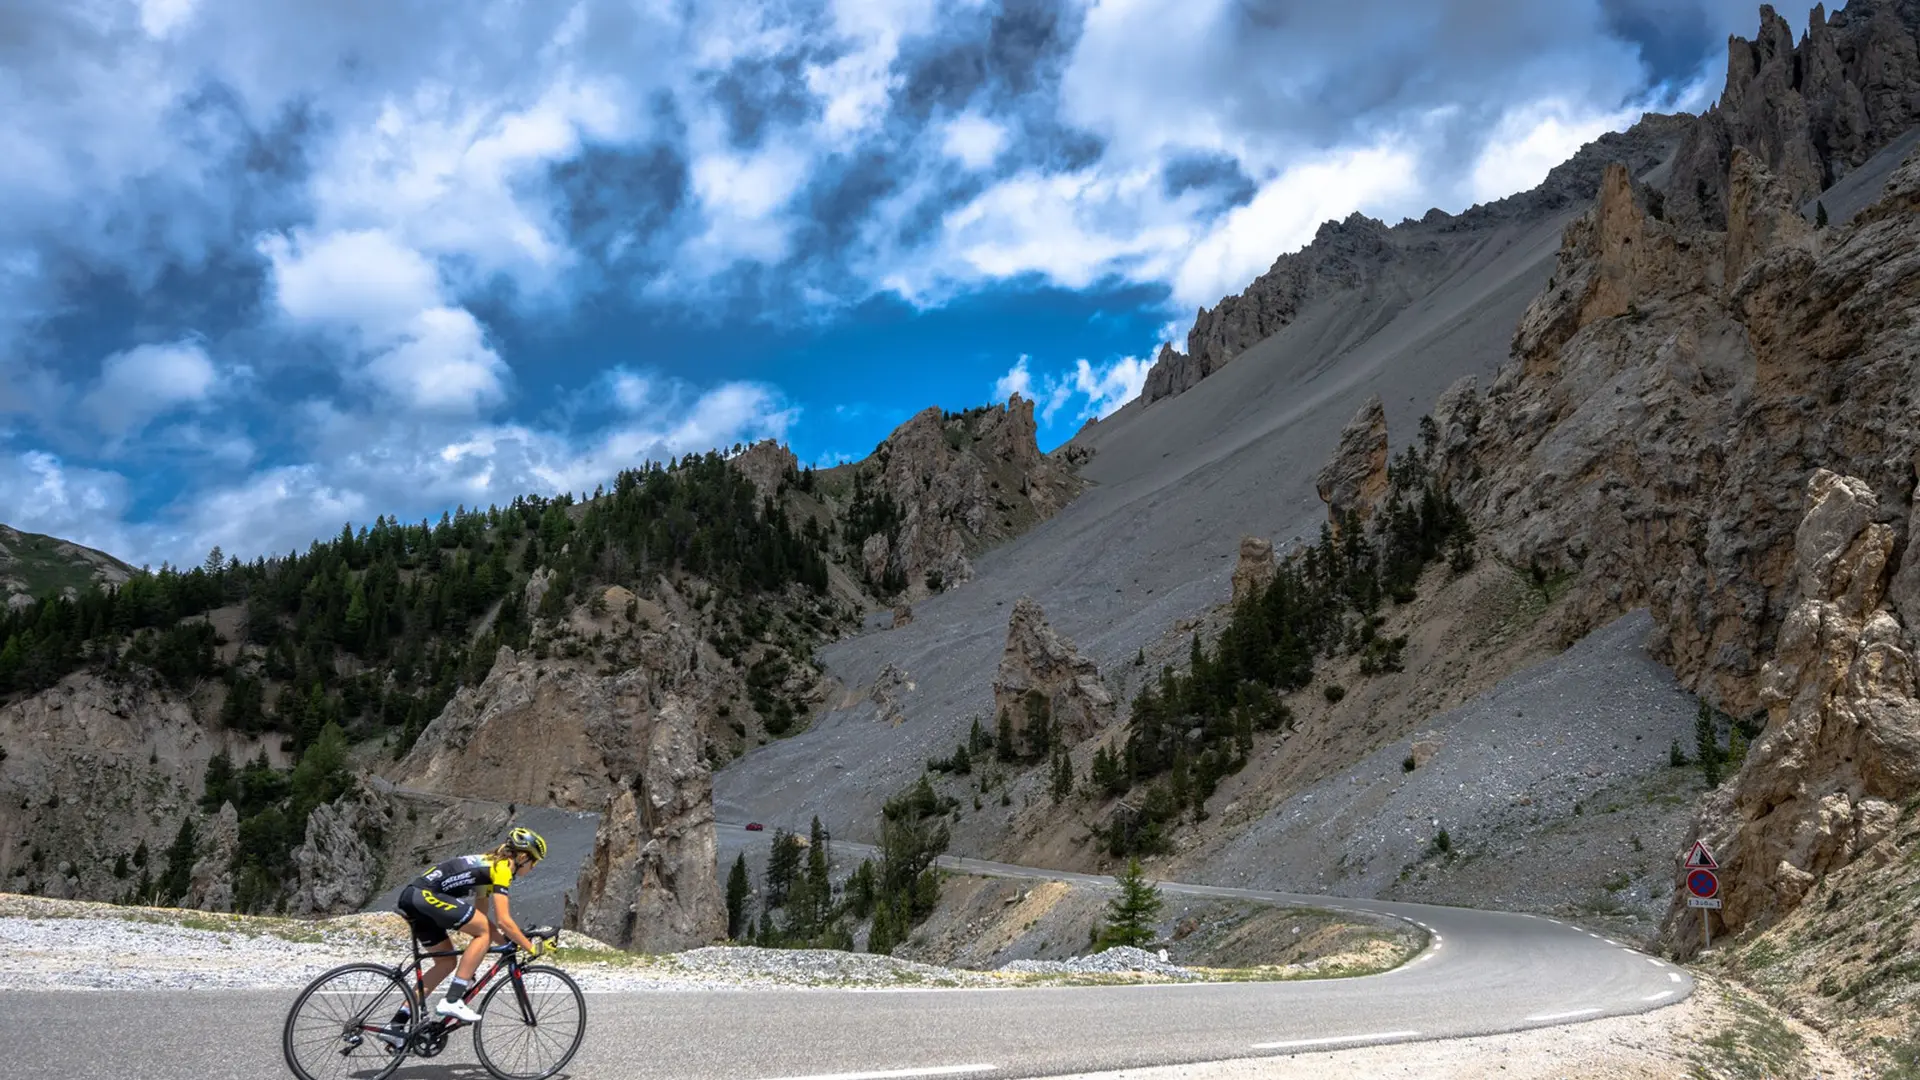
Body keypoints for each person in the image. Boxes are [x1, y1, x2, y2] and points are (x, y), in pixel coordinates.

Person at [381, 827, 551, 1045]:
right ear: (522, 857)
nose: (533, 867)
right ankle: (452, 1000)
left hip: (415, 897)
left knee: (446, 962)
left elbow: (481, 917)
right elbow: (503, 921)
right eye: (534, 862)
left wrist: (506, 943)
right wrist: (530, 947)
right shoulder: (502, 868)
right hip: (424, 895)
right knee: (482, 933)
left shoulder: (489, 865)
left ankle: (396, 1025)